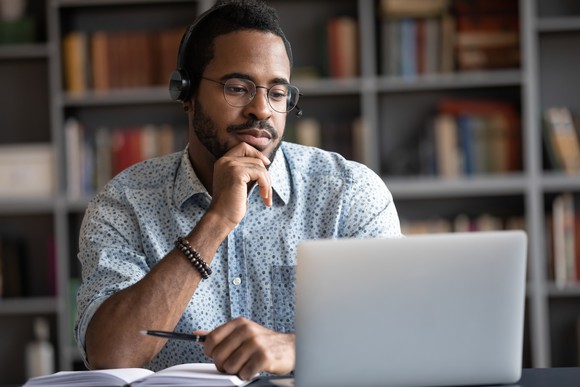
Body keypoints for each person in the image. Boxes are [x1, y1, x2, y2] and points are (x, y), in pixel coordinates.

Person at [75, 0, 402, 381]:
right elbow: (111, 356)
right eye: (237, 88)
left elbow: (399, 332)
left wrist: (298, 347)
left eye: (277, 94)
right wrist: (215, 223)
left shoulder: (348, 193)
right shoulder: (124, 203)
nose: (261, 110)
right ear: (187, 93)